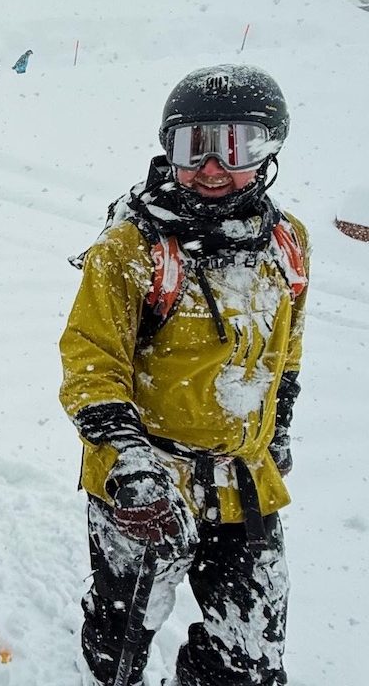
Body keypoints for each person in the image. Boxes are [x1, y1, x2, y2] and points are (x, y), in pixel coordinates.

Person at [59, 64, 308, 686]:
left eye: (237, 144)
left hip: (244, 486)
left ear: (270, 147)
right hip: (145, 487)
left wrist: (275, 433)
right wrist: (129, 461)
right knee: (122, 641)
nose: (212, 166)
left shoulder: (287, 244)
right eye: (192, 145)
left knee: (250, 657)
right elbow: (91, 364)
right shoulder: (133, 248)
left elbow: (287, 354)